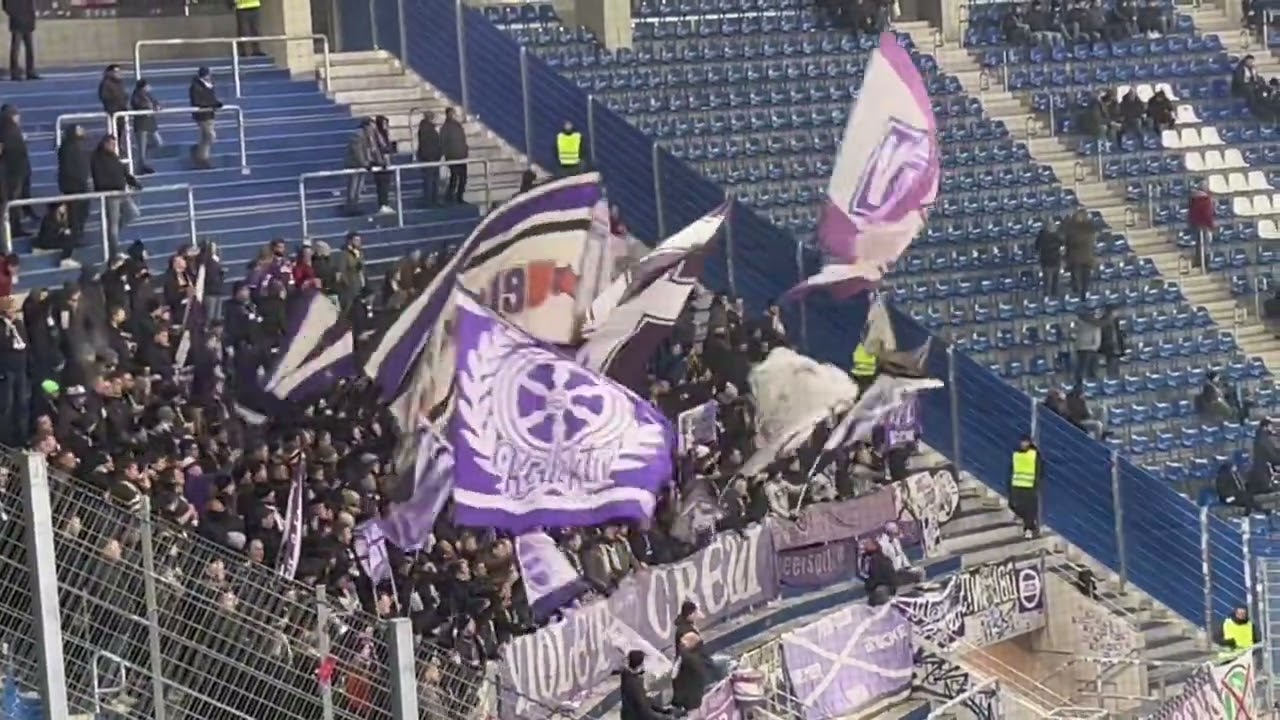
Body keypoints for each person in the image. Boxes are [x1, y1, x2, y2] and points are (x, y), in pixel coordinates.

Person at [90, 134, 142, 257]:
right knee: (112, 225)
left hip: (121, 192)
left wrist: (134, 183)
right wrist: (111, 186)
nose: (114, 147)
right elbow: (98, 179)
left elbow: (124, 173)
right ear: (104, 144)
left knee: (133, 212)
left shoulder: (114, 157)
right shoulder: (97, 159)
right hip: (110, 194)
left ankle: (112, 236)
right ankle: (114, 251)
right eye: (111, 144)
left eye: (115, 144)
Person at [343, 118, 392, 215]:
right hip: (354, 164)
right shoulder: (358, 135)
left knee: (359, 186)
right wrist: (365, 163)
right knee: (354, 186)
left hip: (361, 164)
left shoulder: (369, 135)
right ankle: (351, 206)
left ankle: (354, 205)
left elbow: (373, 149)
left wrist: (378, 161)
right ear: (367, 125)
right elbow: (358, 152)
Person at [0, 105, 34, 238]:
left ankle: (14, 227)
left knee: (13, 202)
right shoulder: (9, 130)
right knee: (13, 202)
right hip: (13, 172)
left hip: (13, 171)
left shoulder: (6, 129)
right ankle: (14, 228)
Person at [0, 295, 28, 446]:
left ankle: (21, 437)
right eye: (11, 310)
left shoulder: (19, 324)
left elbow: (25, 342)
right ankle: (5, 439)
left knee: (22, 403)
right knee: (7, 406)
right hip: (7, 371)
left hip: (20, 369)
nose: (15, 313)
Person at [57, 124, 90, 249]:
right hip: (73, 185)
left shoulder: (77, 146)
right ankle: (75, 237)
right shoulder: (67, 147)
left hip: (80, 184)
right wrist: (80, 179)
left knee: (82, 211)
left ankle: (78, 234)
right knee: (75, 213)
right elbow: (69, 169)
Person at [619, 650, 670, 720]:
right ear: (640, 666)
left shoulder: (627, 675)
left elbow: (645, 701)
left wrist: (661, 710)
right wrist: (666, 718)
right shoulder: (635, 685)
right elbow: (645, 712)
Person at [188, 66, 223, 170]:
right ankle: (201, 157)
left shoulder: (210, 85)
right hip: (202, 115)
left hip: (210, 114)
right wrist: (212, 104)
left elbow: (212, 98)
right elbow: (197, 101)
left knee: (206, 137)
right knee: (210, 136)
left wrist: (216, 103)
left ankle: (201, 155)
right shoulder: (195, 86)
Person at [1009, 434, 1040, 538]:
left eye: (1026, 442)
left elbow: (1039, 469)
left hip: (1029, 486)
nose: (1024, 444)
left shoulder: (1034, 454)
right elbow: (1011, 469)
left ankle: (1028, 529)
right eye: (1022, 441)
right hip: (1016, 485)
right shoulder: (1015, 454)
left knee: (1030, 509)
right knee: (1013, 505)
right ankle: (1029, 524)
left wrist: (1036, 482)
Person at [129, 79, 162, 175]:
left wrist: (157, 106)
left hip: (151, 123)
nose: (149, 87)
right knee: (142, 149)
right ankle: (141, 167)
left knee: (158, 143)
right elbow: (138, 105)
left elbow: (156, 103)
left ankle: (141, 159)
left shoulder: (149, 95)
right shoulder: (136, 96)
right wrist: (149, 107)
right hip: (141, 125)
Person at [1064, 209, 1095, 299]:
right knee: (1081, 279)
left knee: (1080, 279)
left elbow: (1070, 241)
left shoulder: (1077, 228)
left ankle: (1080, 295)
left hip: (1078, 257)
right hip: (1081, 257)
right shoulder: (1089, 228)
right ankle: (1081, 295)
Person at [441, 107, 469, 204]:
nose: (454, 115)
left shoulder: (458, 125)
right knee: (454, 178)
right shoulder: (445, 127)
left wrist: (465, 150)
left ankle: (459, 196)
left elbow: (463, 139)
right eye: (452, 113)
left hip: (461, 155)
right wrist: (447, 155)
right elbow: (443, 142)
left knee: (463, 178)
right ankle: (450, 196)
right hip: (453, 156)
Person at [34, 202, 74, 267]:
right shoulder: (48, 218)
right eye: (62, 206)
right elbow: (48, 234)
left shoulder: (62, 217)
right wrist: (61, 231)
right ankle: (65, 260)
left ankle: (66, 258)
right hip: (46, 242)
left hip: (54, 239)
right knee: (67, 239)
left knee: (69, 237)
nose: (65, 207)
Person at [3, 0, 36, 80]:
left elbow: (30, 4)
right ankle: (15, 73)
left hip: (27, 20)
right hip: (17, 21)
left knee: (29, 48)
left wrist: (32, 17)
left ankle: (30, 71)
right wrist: (15, 15)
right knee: (15, 48)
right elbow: (6, 7)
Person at [415, 111, 443, 206]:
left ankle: (432, 199)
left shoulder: (425, 128)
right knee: (430, 180)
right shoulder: (428, 129)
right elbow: (429, 144)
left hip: (431, 157)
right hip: (430, 157)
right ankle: (430, 200)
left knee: (432, 179)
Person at [98, 64, 128, 140]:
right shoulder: (106, 83)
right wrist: (114, 105)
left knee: (120, 132)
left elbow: (124, 95)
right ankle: (114, 147)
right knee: (114, 132)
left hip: (121, 111)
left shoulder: (120, 83)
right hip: (113, 111)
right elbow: (104, 97)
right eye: (116, 71)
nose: (119, 73)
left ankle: (118, 146)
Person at [1035, 217, 1063, 296]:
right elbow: (1062, 243)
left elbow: (1036, 247)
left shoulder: (1041, 235)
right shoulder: (1056, 235)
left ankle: (1046, 295)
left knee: (1046, 280)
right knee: (1055, 280)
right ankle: (1054, 295)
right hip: (1056, 259)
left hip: (1045, 260)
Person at [1188, 187, 1214, 268]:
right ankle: (1205, 262)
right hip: (1204, 225)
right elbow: (1207, 215)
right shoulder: (1206, 201)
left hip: (1195, 224)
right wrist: (1211, 226)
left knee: (1199, 244)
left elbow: (1191, 213)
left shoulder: (1192, 200)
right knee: (1205, 244)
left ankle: (1199, 261)